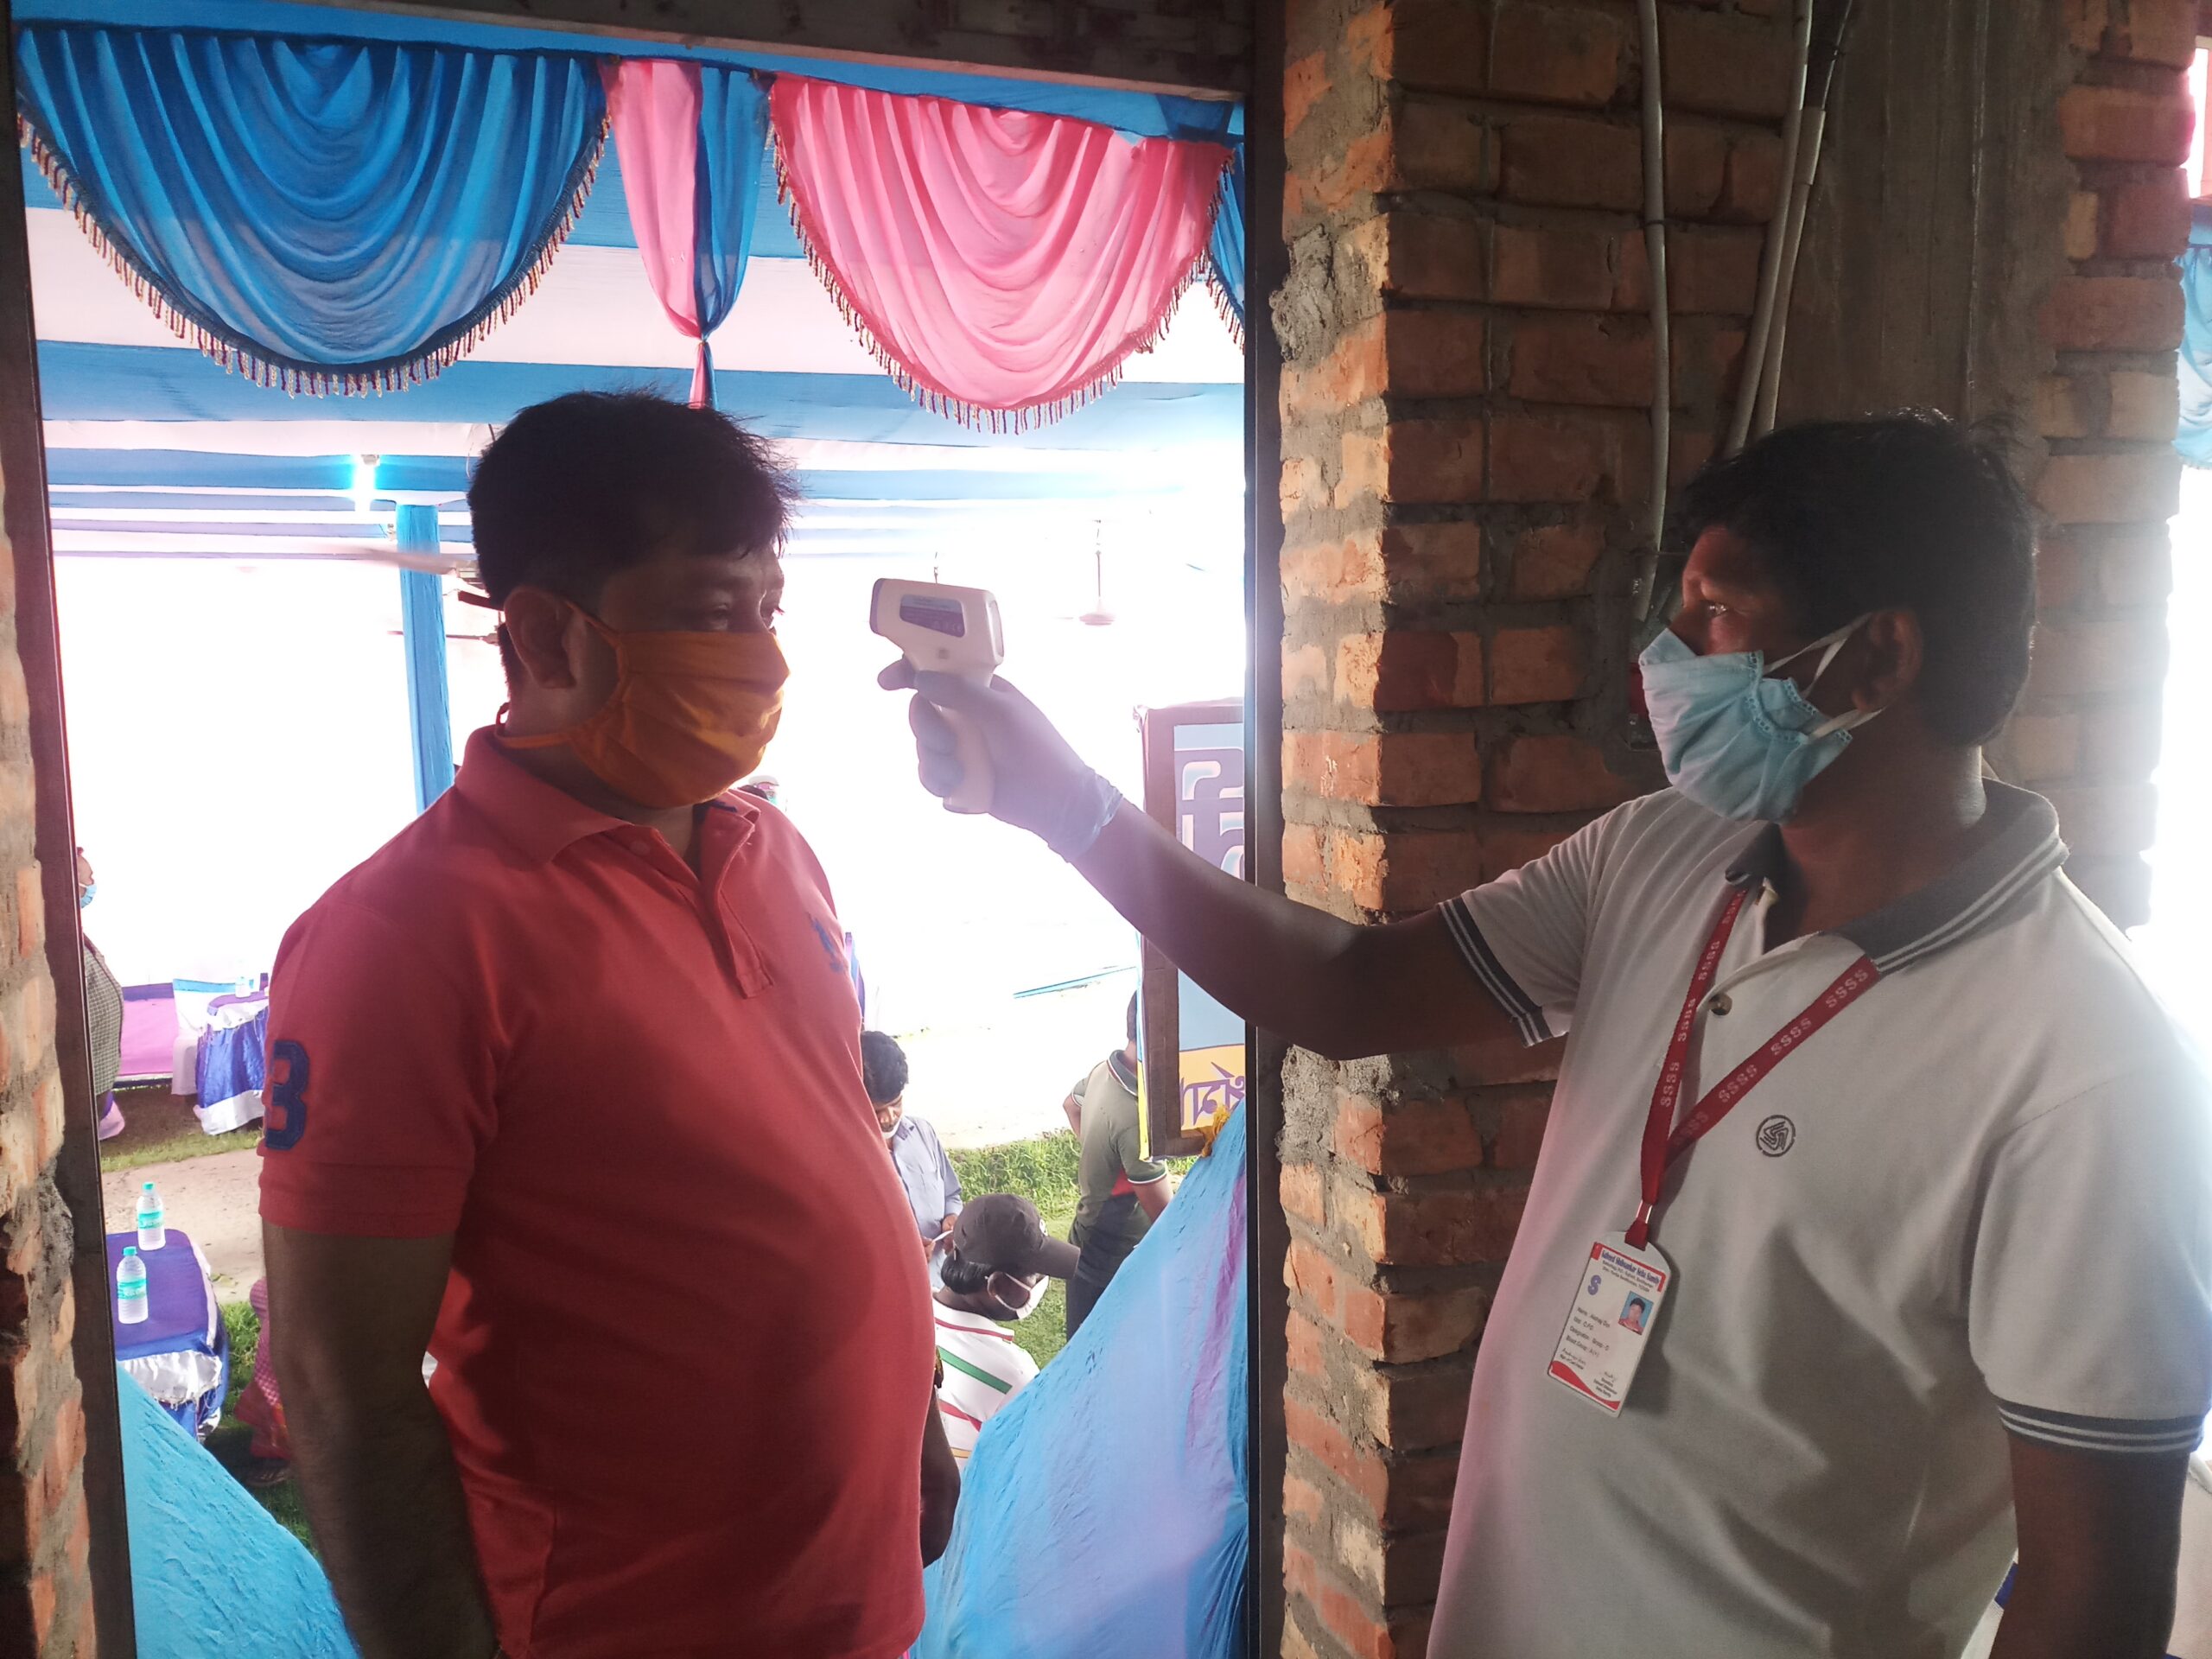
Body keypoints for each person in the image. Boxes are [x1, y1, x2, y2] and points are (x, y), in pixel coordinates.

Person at [885, 412, 2212, 1658]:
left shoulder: (2087, 1071)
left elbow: (2093, 1596)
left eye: (1715, 614)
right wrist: (1063, 805)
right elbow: (1353, 990)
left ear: (1878, 659)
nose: (1664, 662)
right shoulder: (1665, 855)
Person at [259, 391, 945, 1659]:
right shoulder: (402, 939)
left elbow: (834, 1142)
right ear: (545, 637)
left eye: (767, 610)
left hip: (855, 1600)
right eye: (710, 613)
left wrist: (916, 1421)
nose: (762, 659)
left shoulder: (775, 849)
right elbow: (342, 1387)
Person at [931, 1193, 1078, 1461]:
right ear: (997, 1285)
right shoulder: (1012, 1376)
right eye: (1036, 1275)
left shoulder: (913, 1313)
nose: (1042, 1283)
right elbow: (1036, 1463)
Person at [1061, 993, 1171, 1338]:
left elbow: (1070, 1105)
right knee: (1103, 1348)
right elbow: (1166, 1218)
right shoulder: (1135, 1117)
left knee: (1083, 1343)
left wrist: (1105, 1160)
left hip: (1087, 1235)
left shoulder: (1105, 1070)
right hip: (1113, 1257)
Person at [866, 1029, 962, 1249]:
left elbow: (951, 1194)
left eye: (896, 1104)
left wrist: (953, 1216)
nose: (889, 1118)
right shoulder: (847, 1161)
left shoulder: (923, 1133)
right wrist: (905, 1256)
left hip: (939, 1270)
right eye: (877, 1111)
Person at [77, 848, 124, 1140]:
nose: (93, 884)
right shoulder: (61, 939)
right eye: (89, 878)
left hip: (99, 1070)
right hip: (85, 1072)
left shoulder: (74, 930)